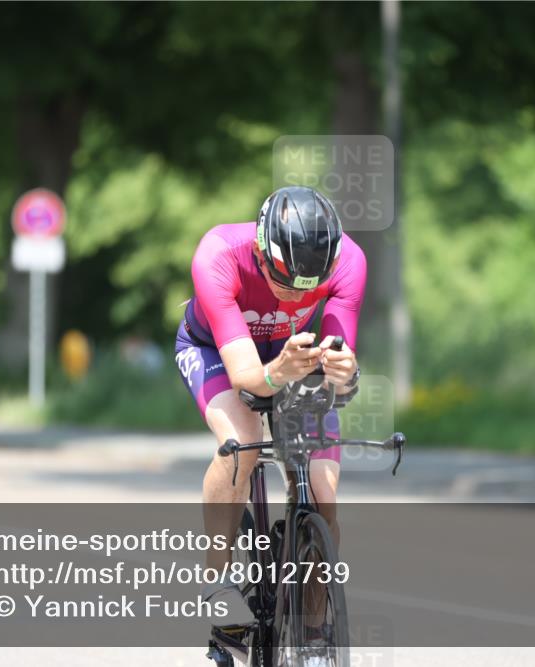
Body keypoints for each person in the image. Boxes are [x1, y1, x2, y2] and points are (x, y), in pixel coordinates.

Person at [174, 185, 365, 627]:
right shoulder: (219, 255)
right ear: (261, 254)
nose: (296, 299)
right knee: (242, 442)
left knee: (322, 495)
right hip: (214, 350)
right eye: (284, 284)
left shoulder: (349, 260)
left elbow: (339, 371)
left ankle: (313, 632)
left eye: (309, 290)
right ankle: (218, 580)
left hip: (293, 354)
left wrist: (345, 372)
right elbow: (246, 378)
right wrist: (278, 372)